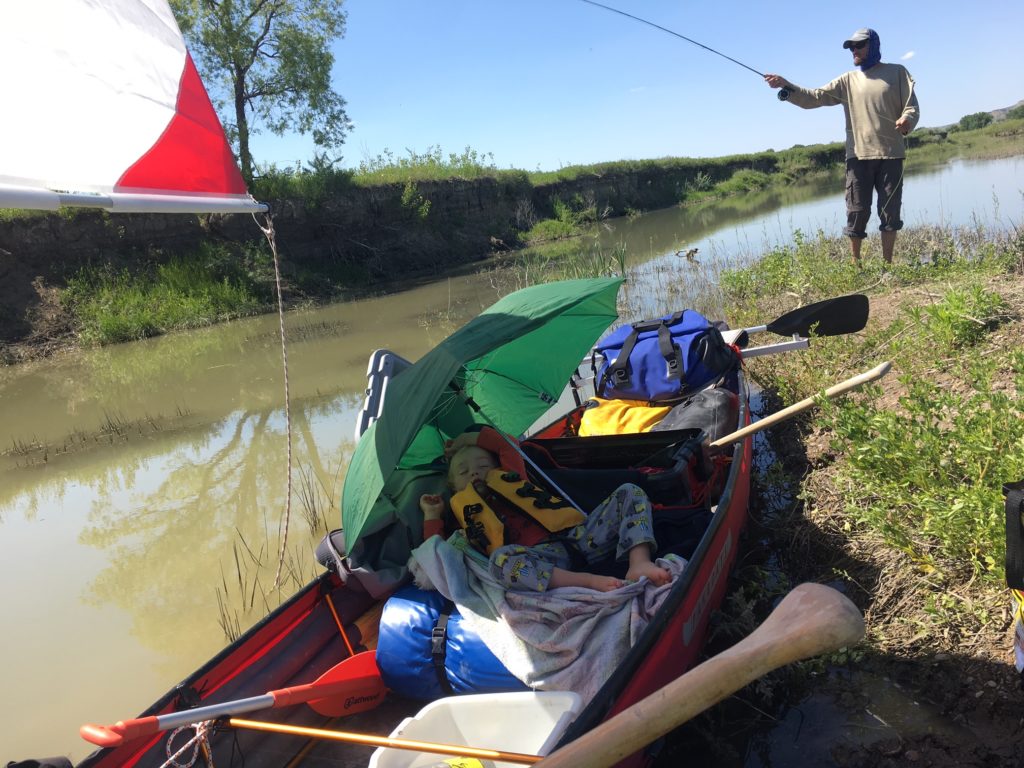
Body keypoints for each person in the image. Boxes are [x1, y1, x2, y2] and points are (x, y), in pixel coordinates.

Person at [419, 426, 672, 592]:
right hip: (540, 563)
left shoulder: (512, 477)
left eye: (483, 465)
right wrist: (432, 515)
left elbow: (505, 444)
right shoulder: (459, 514)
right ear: (453, 486)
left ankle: (639, 561)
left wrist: (465, 438)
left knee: (629, 491)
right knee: (501, 561)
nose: (474, 471)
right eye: (464, 471)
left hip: (580, 538)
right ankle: (588, 582)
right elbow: (436, 556)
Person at [765, 28, 920, 265]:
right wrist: (786, 86)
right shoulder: (847, 80)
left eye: (859, 46)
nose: (854, 51)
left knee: (890, 213)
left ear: (874, 45)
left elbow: (911, 107)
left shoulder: (898, 72)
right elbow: (814, 97)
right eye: (851, 48)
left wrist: (907, 120)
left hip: (891, 156)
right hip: (857, 157)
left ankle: (888, 266)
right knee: (857, 212)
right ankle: (855, 265)